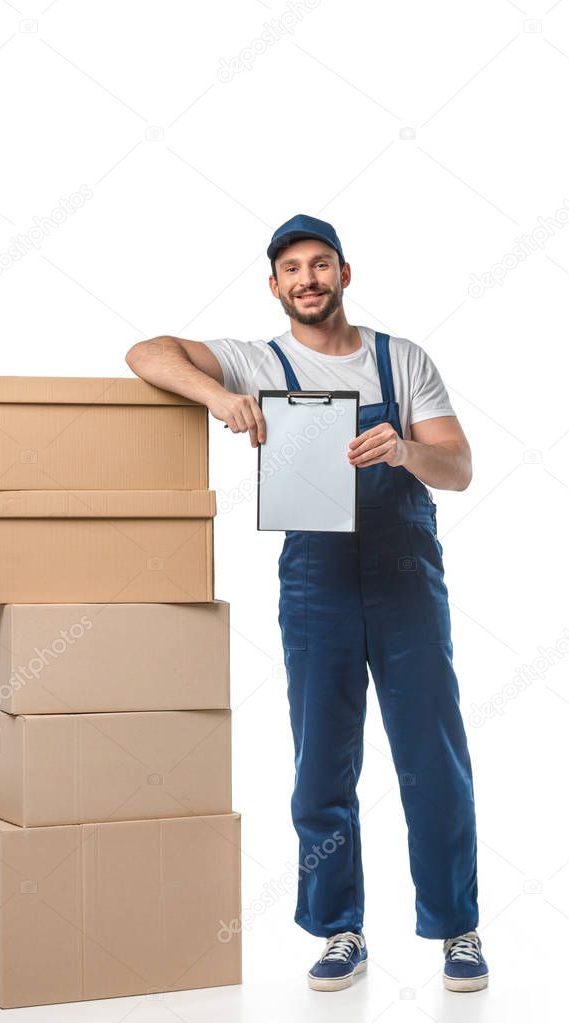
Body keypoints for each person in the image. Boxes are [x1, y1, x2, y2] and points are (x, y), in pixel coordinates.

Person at [125, 213, 488, 994]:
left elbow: (456, 467)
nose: (307, 279)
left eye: (320, 264)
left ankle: (457, 927)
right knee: (321, 760)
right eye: (291, 269)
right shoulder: (257, 360)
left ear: (344, 275)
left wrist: (405, 447)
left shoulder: (402, 361)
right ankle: (339, 930)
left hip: (404, 582)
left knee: (432, 756)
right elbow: (145, 352)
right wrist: (219, 396)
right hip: (315, 585)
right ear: (275, 286)